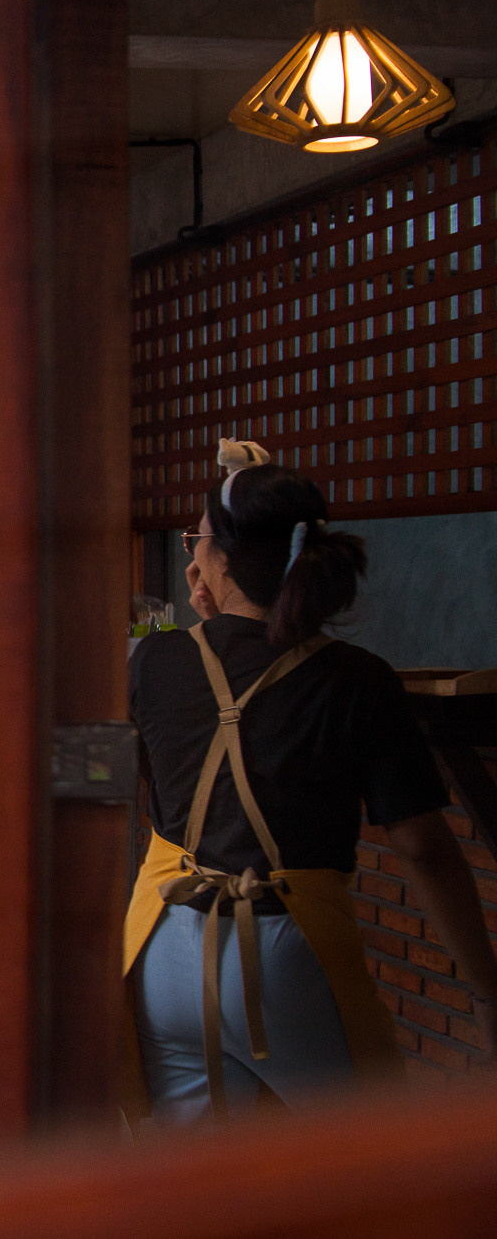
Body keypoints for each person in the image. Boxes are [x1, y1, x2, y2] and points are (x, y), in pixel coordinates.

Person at [124, 440, 497, 1126]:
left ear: (222, 560)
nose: (190, 554)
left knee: (190, 1185)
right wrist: (484, 989)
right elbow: (422, 845)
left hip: (165, 942)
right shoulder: (358, 679)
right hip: (285, 950)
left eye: (197, 540)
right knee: (368, 1166)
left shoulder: (158, 659)